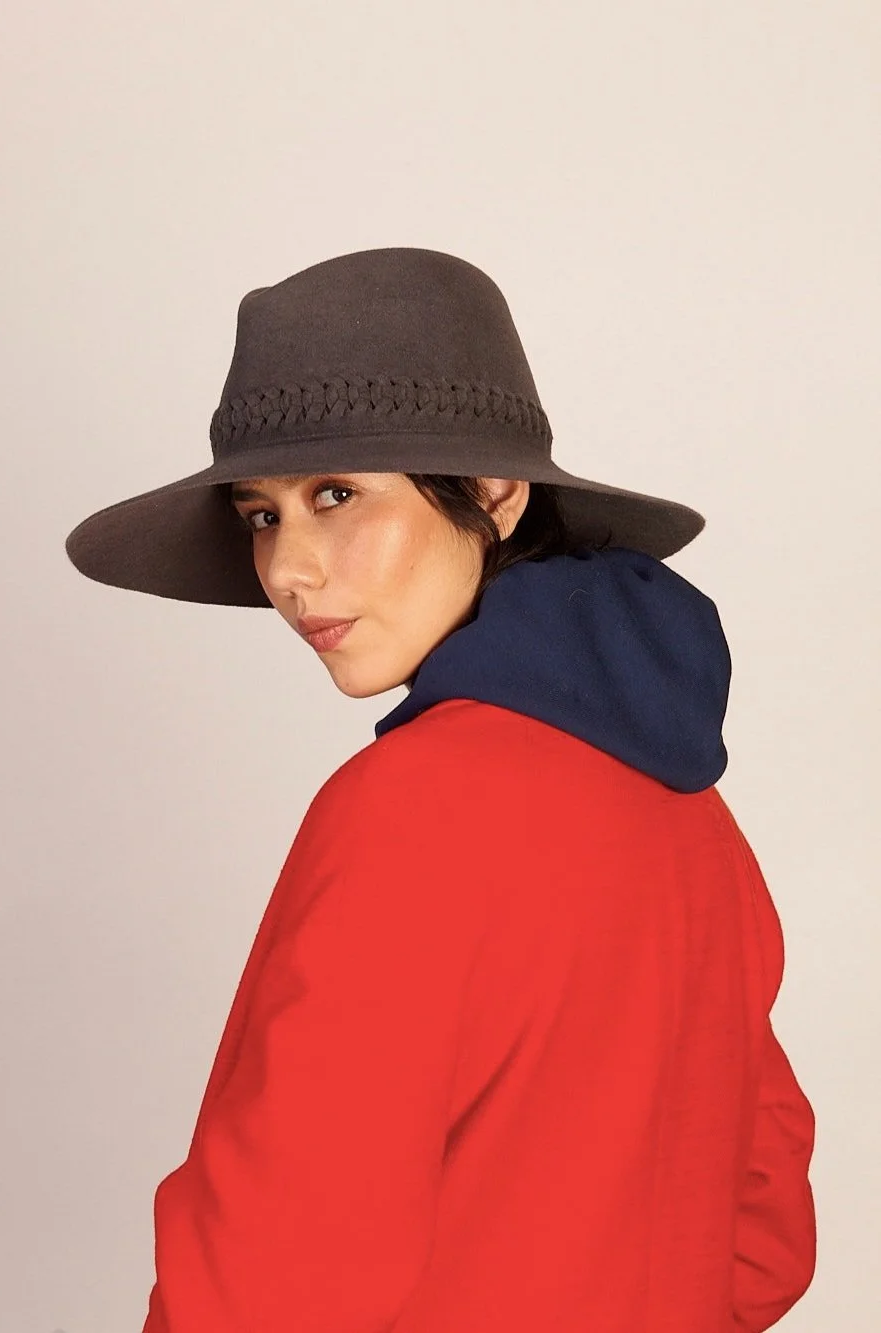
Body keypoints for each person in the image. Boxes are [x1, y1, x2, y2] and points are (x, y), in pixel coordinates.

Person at [65, 247, 817, 1333]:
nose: (288, 570)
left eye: (336, 495)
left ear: (493, 492)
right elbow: (759, 1239)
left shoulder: (410, 807)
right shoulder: (688, 811)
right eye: (261, 513)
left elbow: (271, 1272)